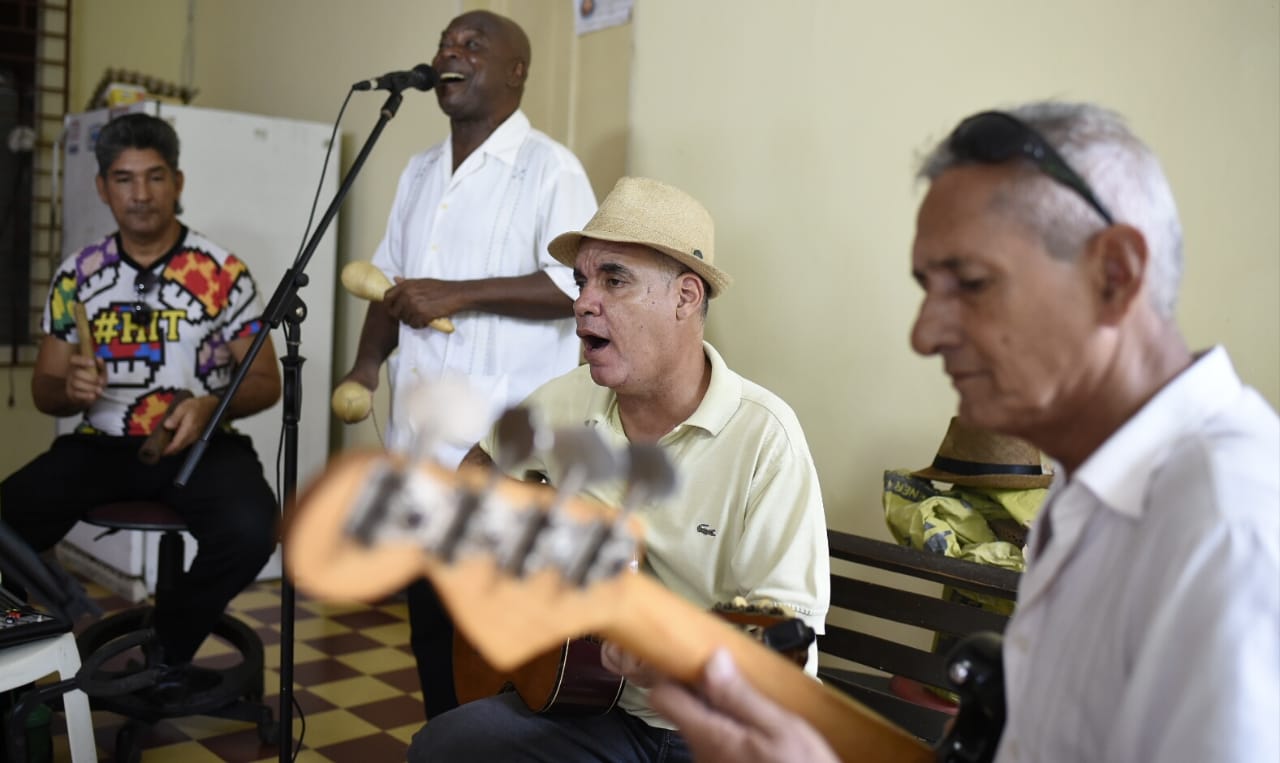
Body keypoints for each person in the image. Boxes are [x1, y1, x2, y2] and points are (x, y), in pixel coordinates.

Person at [633, 101, 1280, 763]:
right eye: (926, 286)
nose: (924, 334)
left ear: (1114, 275)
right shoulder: (1092, 489)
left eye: (970, 283)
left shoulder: (1231, 524)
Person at [406, 176, 831, 763]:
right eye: (582, 280)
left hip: (716, 732)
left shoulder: (766, 439)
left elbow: (786, 641)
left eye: (614, 279)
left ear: (685, 297)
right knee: (442, 747)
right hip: (587, 710)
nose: (583, 301)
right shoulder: (562, 400)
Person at [336, 10, 598, 719]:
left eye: (472, 46)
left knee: (498, 647)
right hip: (419, 452)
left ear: (517, 70)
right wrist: (364, 367)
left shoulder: (550, 168)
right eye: (446, 45)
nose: (450, 55)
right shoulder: (420, 170)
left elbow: (579, 285)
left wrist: (460, 292)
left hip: (501, 458)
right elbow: (390, 284)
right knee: (430, 633)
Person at [0, 112, 281, 698]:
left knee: (254, 529)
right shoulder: (78, 274)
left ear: (178, 182)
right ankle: (50, 636)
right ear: (103, 187)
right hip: (100, 445)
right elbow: (44, 388)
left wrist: (208, 405)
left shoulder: (222, 273)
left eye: (155, 177)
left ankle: (167, 649)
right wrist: (68, 387)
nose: (142, 194)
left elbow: (264, 381)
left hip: (203, 442)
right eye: (124, 179)